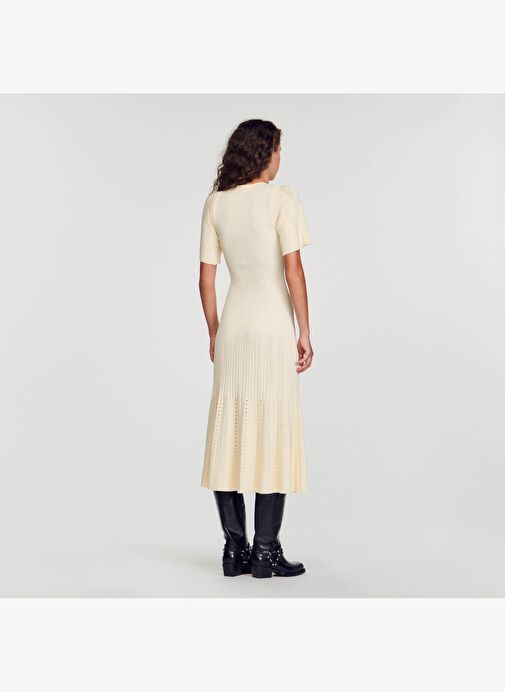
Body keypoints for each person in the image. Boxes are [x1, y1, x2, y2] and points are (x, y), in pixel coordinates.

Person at [198, 119, 314, 578]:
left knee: (228, 432)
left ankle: (234, 550)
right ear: (266, 152)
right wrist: (305, 331)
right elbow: (293, 271)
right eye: (278, 149)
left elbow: (206, 279)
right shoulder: (280, 198)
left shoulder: (216, 203)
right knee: (273, 431)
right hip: (272, 329)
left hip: (234, 329)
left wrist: (214, 332)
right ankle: (265, 551)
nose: (280, 158)